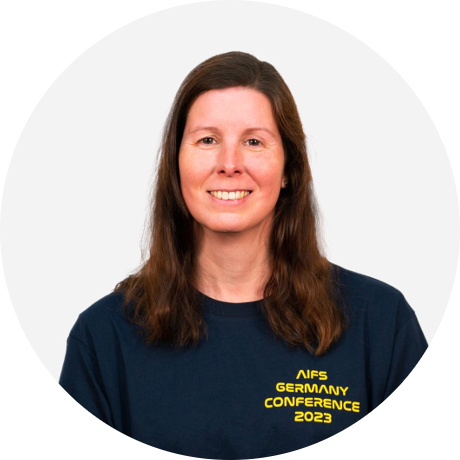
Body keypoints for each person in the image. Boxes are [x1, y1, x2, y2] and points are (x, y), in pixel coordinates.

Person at [59, 51, 428, 457]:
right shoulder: (104, 337)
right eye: (207, 140)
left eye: (254, 142)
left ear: (288, 169)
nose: (229, 164)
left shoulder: (380, 324)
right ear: (177, 164)